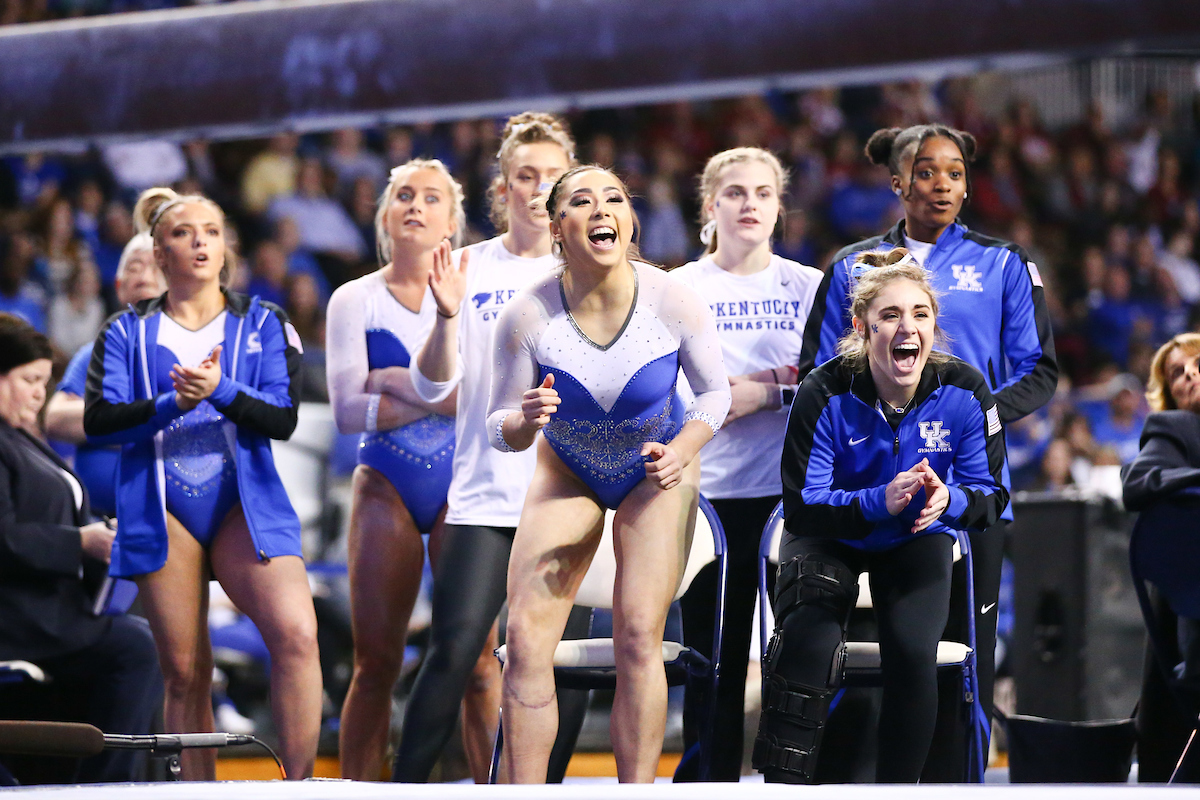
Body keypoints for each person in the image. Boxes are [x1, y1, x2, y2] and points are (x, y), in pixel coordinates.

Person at [799, 124, 1056, 767]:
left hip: (967, 487)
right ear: (898, 182)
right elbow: (818, 373)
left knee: (965, 660)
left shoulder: (1004, 262)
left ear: (967, 187)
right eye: (926, 171)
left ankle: (958, 784)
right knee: (859, 659)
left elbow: (1039, 371)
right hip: (864, 491)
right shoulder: (852, 266)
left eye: (955, 173)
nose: (942, 184)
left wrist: (971, 417)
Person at [483, 165, 730, 783]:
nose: (601, 210)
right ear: (556, 228)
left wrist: (682, 450)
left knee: (638, 636)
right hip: (567, 471)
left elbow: (715, 394)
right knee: (525, 641)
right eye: (582, 201)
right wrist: (525, 421)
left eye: (614, 198)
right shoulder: (526, 316)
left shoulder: (672, 299)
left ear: (629, 221)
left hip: (656, 468)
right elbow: (498, 428)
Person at [83, 187, 321, 780]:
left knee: (297, 635)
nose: (199, 242)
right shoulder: (124, 330)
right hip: (162, 507)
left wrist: (219, 390)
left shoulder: (263, 321)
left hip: (244, 504)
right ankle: (196, 791)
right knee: (185, 672)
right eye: (183, 233)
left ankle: (302, 785)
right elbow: (100, 421)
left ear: (225, 248)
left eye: (211, 232)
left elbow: (282, 419)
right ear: (159, 254)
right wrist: (174, 402)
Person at [758, 251, 1008, 784]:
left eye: (920, 314)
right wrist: (878, 501)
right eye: (890, 315)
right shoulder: (822, 390)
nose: (907, 327)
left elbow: (991, 495)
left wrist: (949, 501)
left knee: (914, 654)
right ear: (862, 326)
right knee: (807, 643)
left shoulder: (965, 391)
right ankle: (786, 789)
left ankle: (898, 792)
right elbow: (802, 506)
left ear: (933, 326)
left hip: (915, 535)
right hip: (831, 535)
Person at [397, 112, 590, 783]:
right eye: (524, 176)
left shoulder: (594, 270)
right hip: (484, 494)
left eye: (551, 176)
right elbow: (430, 385)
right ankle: (400, 790)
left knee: (565, 666)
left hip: (572, 496)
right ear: (503, 187)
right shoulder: (468, 265)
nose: (537, 189)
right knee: (453, 653)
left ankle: (539, 791)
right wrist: (447, 315)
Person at [670, 147, 823, 781]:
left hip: (794, 495)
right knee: (715, 659)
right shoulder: (681, 286)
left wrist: (764, 391)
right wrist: (721, 398)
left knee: (800, 656)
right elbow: (669, 387)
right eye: (735, 192)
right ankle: (706, 783)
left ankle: (797, 781)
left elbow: (834, 381)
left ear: (779, 206)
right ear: (711, 205)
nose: (749, 204)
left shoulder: (809, 286)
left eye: (763, 193)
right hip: (710, 493)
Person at [325, 159, 463, 781]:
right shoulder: (354, 299)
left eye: (431, 197)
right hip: (386, 482)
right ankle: (359, 789)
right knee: (375, 662)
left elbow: (483, 398)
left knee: (478, 662)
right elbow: (347, 413)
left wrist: (394, 382)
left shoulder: (473, 292)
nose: (415, 205)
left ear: (451, 222)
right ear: (385, 217)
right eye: (403, 195)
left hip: (462, 484)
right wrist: (435, 394)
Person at [0, 313, 161, 785]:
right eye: (29, 380)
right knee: (135, 647)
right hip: (17, 618)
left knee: (139, 637)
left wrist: (99, 533)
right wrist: (81, 542)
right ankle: (107, 786)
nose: (39, 394)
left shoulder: (20, 439)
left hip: (48, 610)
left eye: (44, 382)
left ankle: (95, 781)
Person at [1121, 332, 1200, 781]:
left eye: (1198, 364)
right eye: (1177, 373)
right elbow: (1138, 482)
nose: (1190, 374)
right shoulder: (1176, 427)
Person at [44, 231, 167, 517]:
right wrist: (147, 420)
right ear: (119, 286)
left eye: (155, 267)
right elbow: (56, 419)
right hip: (96, 520)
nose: (144, 275)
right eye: (134, 266)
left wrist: (102, 422)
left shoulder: (193, 352)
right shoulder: (94, 354)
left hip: (168, 519)